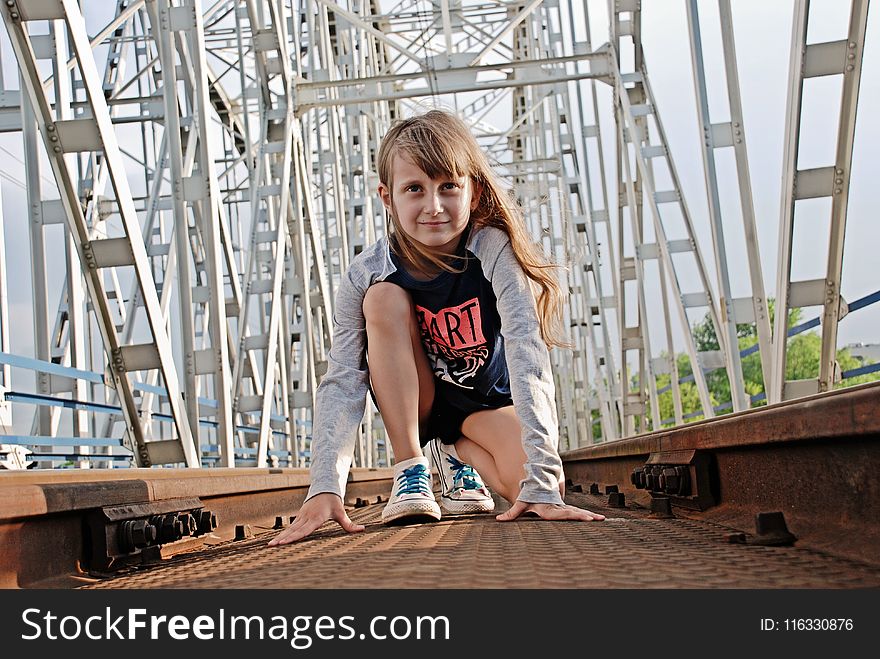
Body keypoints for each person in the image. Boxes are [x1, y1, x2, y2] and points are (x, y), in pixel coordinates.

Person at [269, 110, 604, 546]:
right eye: (414, 189)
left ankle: (451, 451)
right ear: (387, 198)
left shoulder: (490, 248)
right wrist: (325, 485)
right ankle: (412, 468)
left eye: (448, 186)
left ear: (473, 190)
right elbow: (343, 379)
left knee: (536, 489)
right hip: (420, 399)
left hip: (483, 404)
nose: (434, 205)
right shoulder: (366, 272)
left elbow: (526, 345)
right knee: (383, 298)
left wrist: (542, 473)